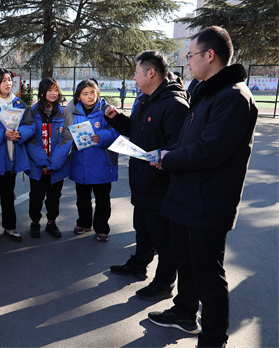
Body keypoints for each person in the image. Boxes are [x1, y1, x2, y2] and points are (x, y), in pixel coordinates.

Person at [147, 26, 258, 347]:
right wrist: (167, 154)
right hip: (185, 196)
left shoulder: (233, 97)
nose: (187, 61)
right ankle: (184, 313)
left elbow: (210, 151)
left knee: (209, 276)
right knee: (185, 263)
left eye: (191, 55)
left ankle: (213, 339)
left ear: (210, 55)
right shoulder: (206, 92)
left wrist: (169, 158)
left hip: (208, 203)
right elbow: (188, 142)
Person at [106, 50, 189, 300]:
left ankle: (164, 282)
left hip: (160, 184)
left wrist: (162, 155)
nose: (134, 77)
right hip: (141, 179)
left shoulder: (174, 104)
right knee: (142, 228)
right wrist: (117, 119)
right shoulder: (145, 99)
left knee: (162, 237)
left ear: (151, 73)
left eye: (136, 72)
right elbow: (136, 131)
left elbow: (180, 145)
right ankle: (138, 264)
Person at [0, 68, 34, 246]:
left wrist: (19, 134)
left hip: (12, 159)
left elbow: (30, 125)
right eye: (3, 80)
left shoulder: (18, 103)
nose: (8, 83)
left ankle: (10, 227)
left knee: (9, 195)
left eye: (10, 80)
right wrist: (4, 134)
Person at [62, 80, 119, 242]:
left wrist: (101, 136)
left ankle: (102, 228)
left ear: (98, 93)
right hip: (80, 164)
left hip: (102, 164)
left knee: (103, 200)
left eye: (93, 92)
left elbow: (116, 131)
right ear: (78, 97)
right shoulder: (71, 112)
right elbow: (65, 134)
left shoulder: (107, 110)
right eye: (85, 94)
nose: (90, 96)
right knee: (82, 198)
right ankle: (84, 223)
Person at [25, 78, 69, 238]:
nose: (53, 93)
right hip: (38, 165)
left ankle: (51, 223)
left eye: (56, 90)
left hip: (57, 165)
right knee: (36, 196)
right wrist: (42, 161)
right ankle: (35, 222)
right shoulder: (32, 112)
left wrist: (54, 163)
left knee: (54, 196)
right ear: (42, 92)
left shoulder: (64, 113)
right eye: (50, 90)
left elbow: (66, 139)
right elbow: (30, 139)